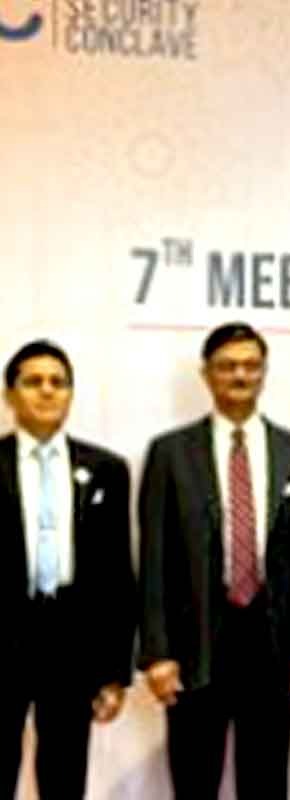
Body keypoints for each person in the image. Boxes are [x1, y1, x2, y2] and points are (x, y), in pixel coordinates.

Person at [138, 322, 290, 799]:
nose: (240, 375)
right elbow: (153, 560)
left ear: (264, 372)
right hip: (195, 644)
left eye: (250, 365)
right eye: (227, 366)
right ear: (206, 374)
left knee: (266, 783)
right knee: (194, 781)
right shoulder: (170, 454)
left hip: (273, 644)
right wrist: (157, 652)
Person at [0, 339, 134, 799]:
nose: (46, 391)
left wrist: (114, 671)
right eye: (33, 381)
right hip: (2, 639)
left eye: (58, 382)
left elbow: (118, 573)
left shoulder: (106, 469)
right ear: (10, 394)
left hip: (72, 642)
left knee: (64, 776)